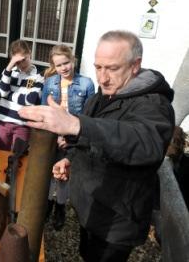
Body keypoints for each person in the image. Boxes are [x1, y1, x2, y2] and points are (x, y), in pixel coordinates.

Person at [19, 30, 174, 261]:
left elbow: (145, 143)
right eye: (98, 67)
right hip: (90, 208)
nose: (102, 78)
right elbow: (92, 140)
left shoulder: (153, 104)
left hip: (117, 221)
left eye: (112, 68)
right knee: (86, 254)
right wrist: (70, 159)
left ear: (135, 65)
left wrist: (76, 124)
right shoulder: (101, 96)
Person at [42, 45, 95, 231]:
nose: (63, 68)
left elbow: (88, 116)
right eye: (59, 65)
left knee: (64, 174)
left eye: (66, 63)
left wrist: (71, 137)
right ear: (53, 66)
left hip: (72, 138)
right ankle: (48, 203)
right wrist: (54, 136)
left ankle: (60, 206)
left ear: (73, 60)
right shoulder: (49, 83)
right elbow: (45, 111)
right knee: (49, 171)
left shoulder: (86, 84)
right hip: (52, 137)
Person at [0, 39, 44, 151]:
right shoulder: (9, 72)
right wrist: (9, 67)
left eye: (23, 59)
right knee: (1, 154)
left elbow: (30, 100)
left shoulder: (38, 76)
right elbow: (2, 92)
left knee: (19, 155)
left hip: (23, 124)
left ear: (29, 53)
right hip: (3, 120)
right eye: (17, 62)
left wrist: (9, 95)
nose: (21, 64)